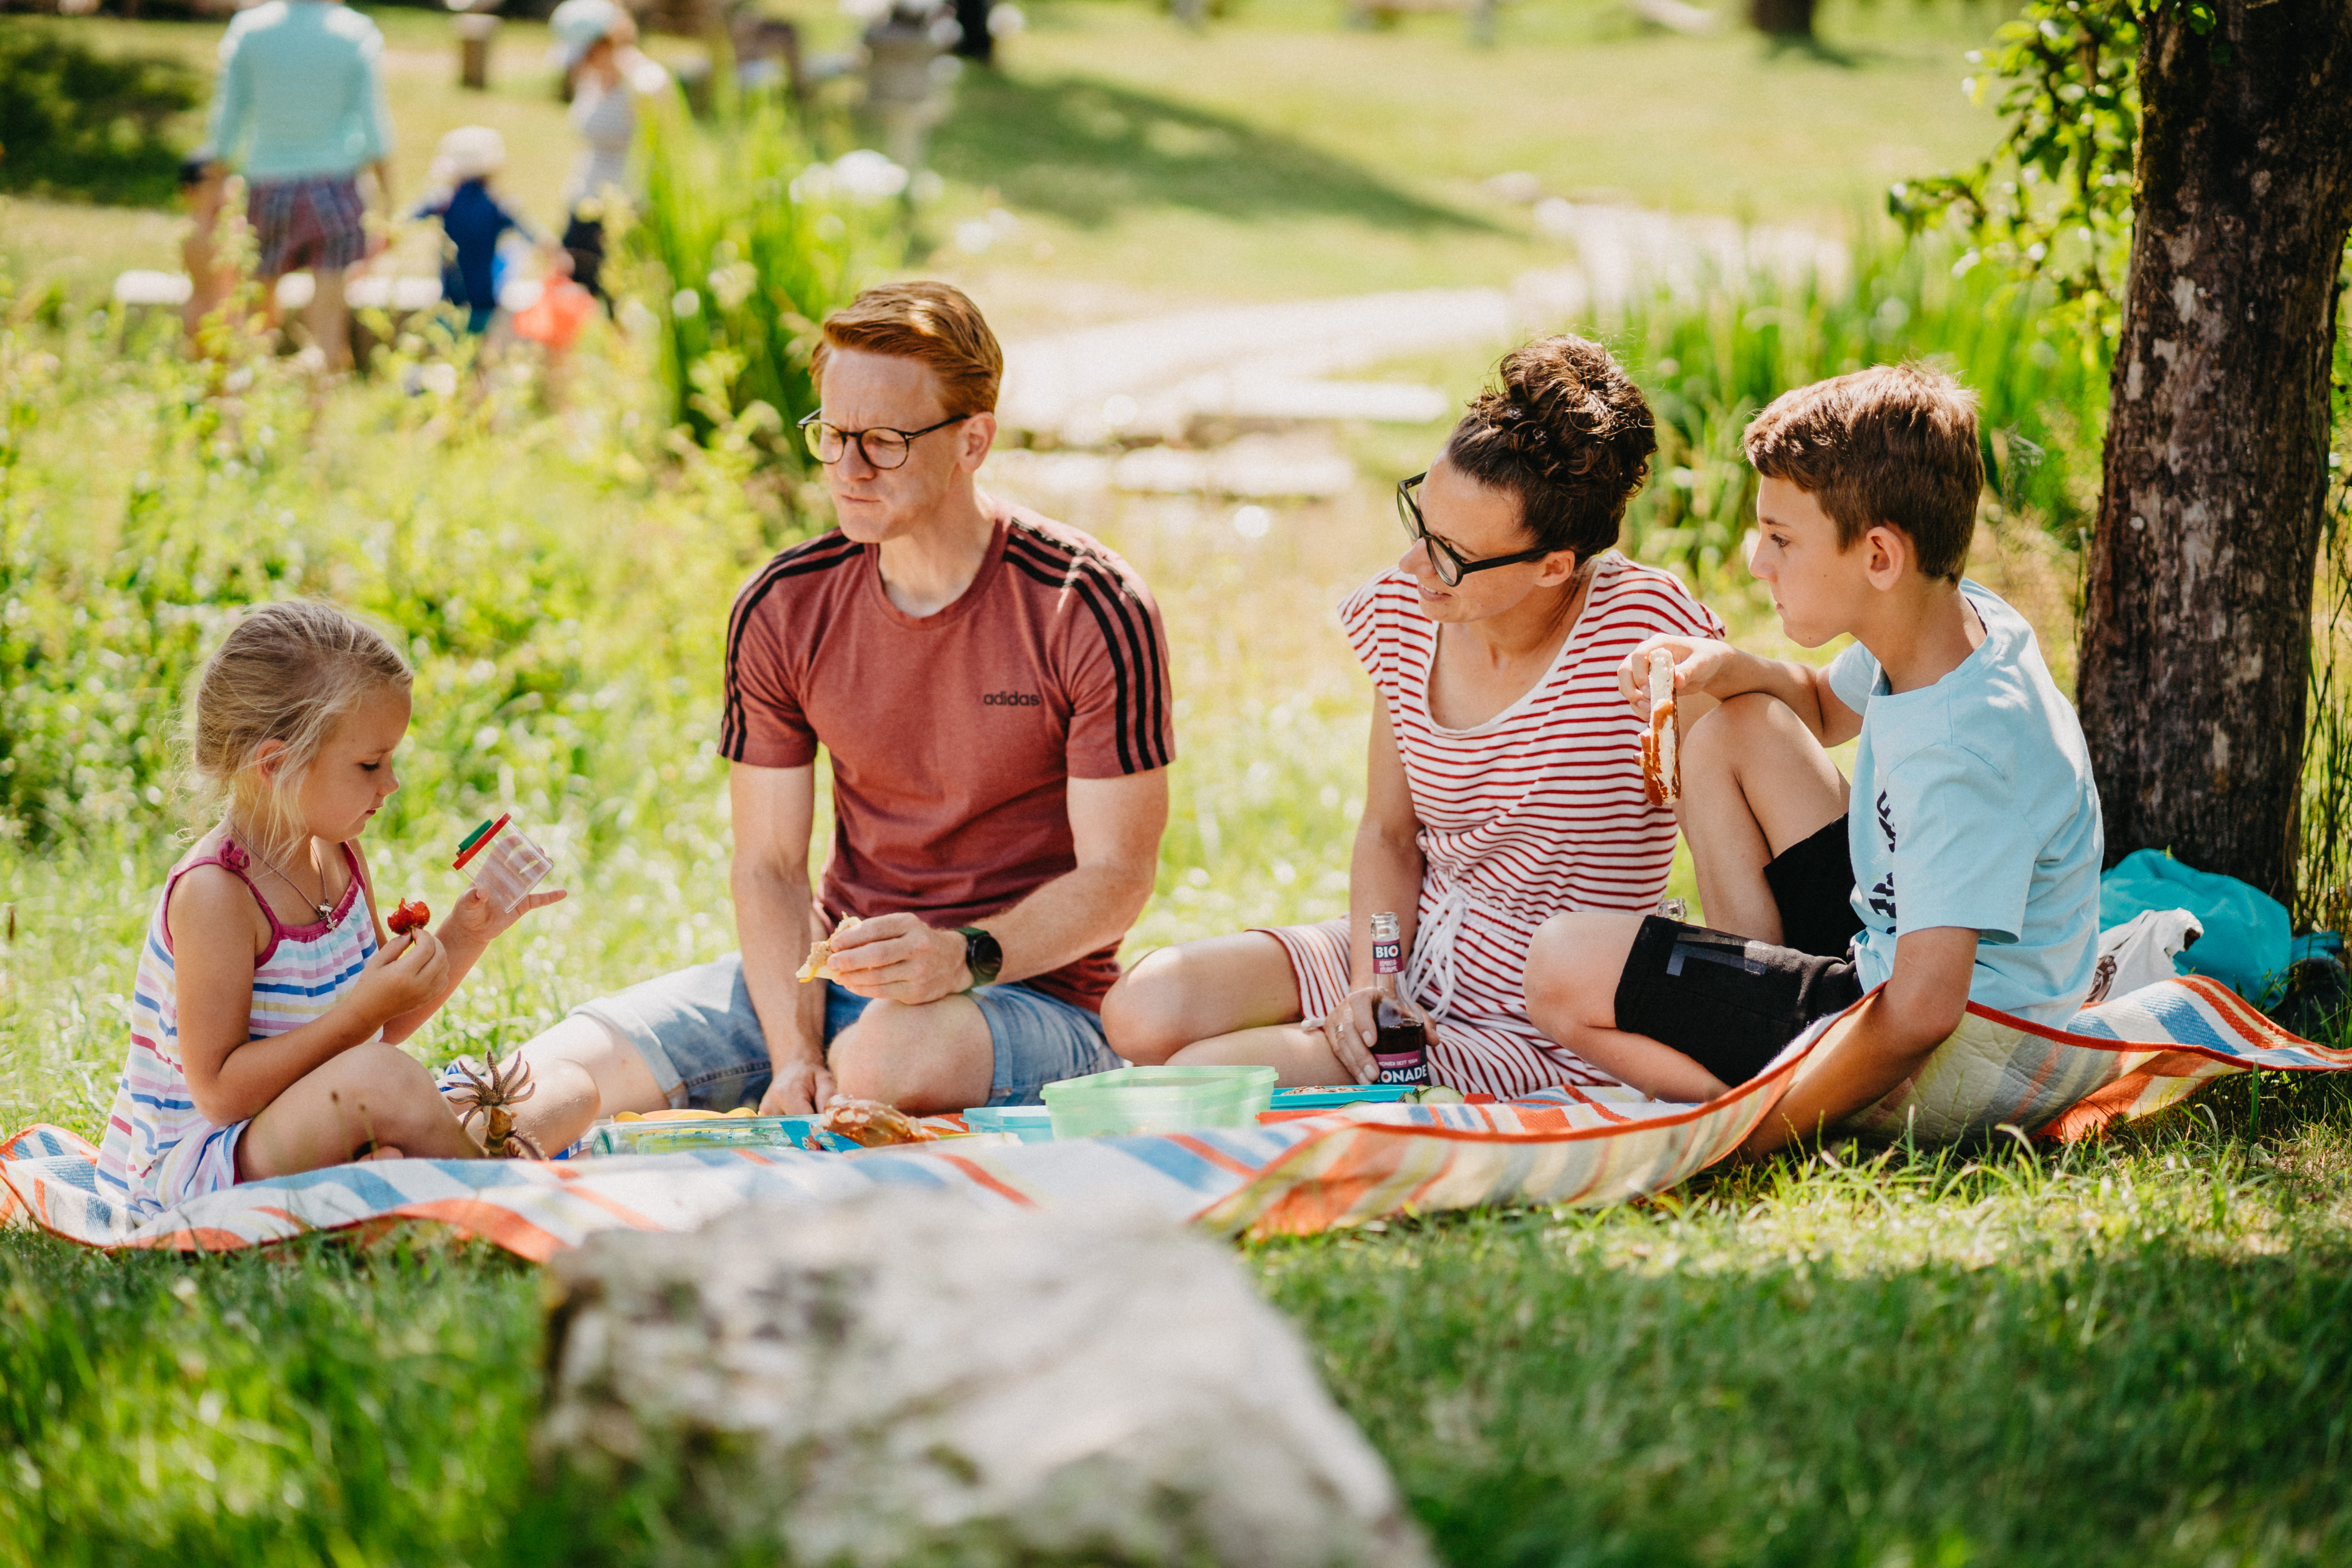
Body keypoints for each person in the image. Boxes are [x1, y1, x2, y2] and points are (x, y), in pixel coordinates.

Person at [494, 281, 1174, 1150]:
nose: (848, 470)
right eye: (832, 436)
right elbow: (771, 867)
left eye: (884, 443)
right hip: (821, 978)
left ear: (973, 441)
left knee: (881, 1060)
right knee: (534, 1080)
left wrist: (963, 955)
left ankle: (839, 1088)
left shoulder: (1087, 602)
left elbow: (1118, 878)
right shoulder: (785, 603)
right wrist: (790, 1053)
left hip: (1022, 995)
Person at [1101, 336, 1726, 1095]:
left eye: (1450, 552)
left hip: (1544, 1011)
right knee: (1142, 1008)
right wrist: (1375, 983)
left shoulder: (1644, 628)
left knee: (1195, 1078)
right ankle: (1343, 1049)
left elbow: (1726, 820)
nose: (1411, 566)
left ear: (1555, 565)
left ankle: (1345, 1066)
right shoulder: (1405, 611)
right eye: (1418, 520)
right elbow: (1389, 832)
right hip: (1417, 944)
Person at [1519, 363, 2102, 1153]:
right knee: (1735, 724)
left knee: (1557, 966)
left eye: (1782, 540)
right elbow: (1826, 705)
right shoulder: (1947, 623)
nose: (1760, 562)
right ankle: (1748, 998)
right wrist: (1734, 670)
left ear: (1879, 557)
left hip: (1943, 1062)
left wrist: (1777, 1130)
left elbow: (1926, 1010)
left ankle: (1749, 1115)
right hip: (1893, 959)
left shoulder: (1965, 753)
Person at [93, 603, 565, 1223]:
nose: (390, 782)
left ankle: (389, 1187)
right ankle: (505, 1207)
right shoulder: (218, 894)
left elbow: (379, 1025)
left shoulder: (338, 853)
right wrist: (359, 1014)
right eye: (370, 763)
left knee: (567, 1085)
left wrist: (463, 935)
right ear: (276, 765)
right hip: (206, 1162)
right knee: (386, 1081)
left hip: (314, 1120)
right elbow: (221, 1091)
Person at [196, 0, 395, 372]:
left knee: (257, 320)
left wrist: (211, 196)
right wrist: (389, 202)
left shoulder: (250, 29)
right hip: (336, 188)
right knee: (326, 331)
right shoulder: (354, 31)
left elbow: (226, 124)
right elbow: (374, 126)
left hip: (267, 188)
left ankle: (250, 408)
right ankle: (314, 420)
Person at [549, 0, 665, 306]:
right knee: (570, 292)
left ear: (604, 43)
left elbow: (663, 151)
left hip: (627, 206)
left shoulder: (645, 84)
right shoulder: (591, 78)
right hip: (585, 200)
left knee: (618, 296)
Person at [412, 127, 540, 337]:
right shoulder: (498, 205)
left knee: (450, 350)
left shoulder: (444, 201)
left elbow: (405, 221)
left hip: (450, 297)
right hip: (485, 298)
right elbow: (535, 236)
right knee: (479, 352)